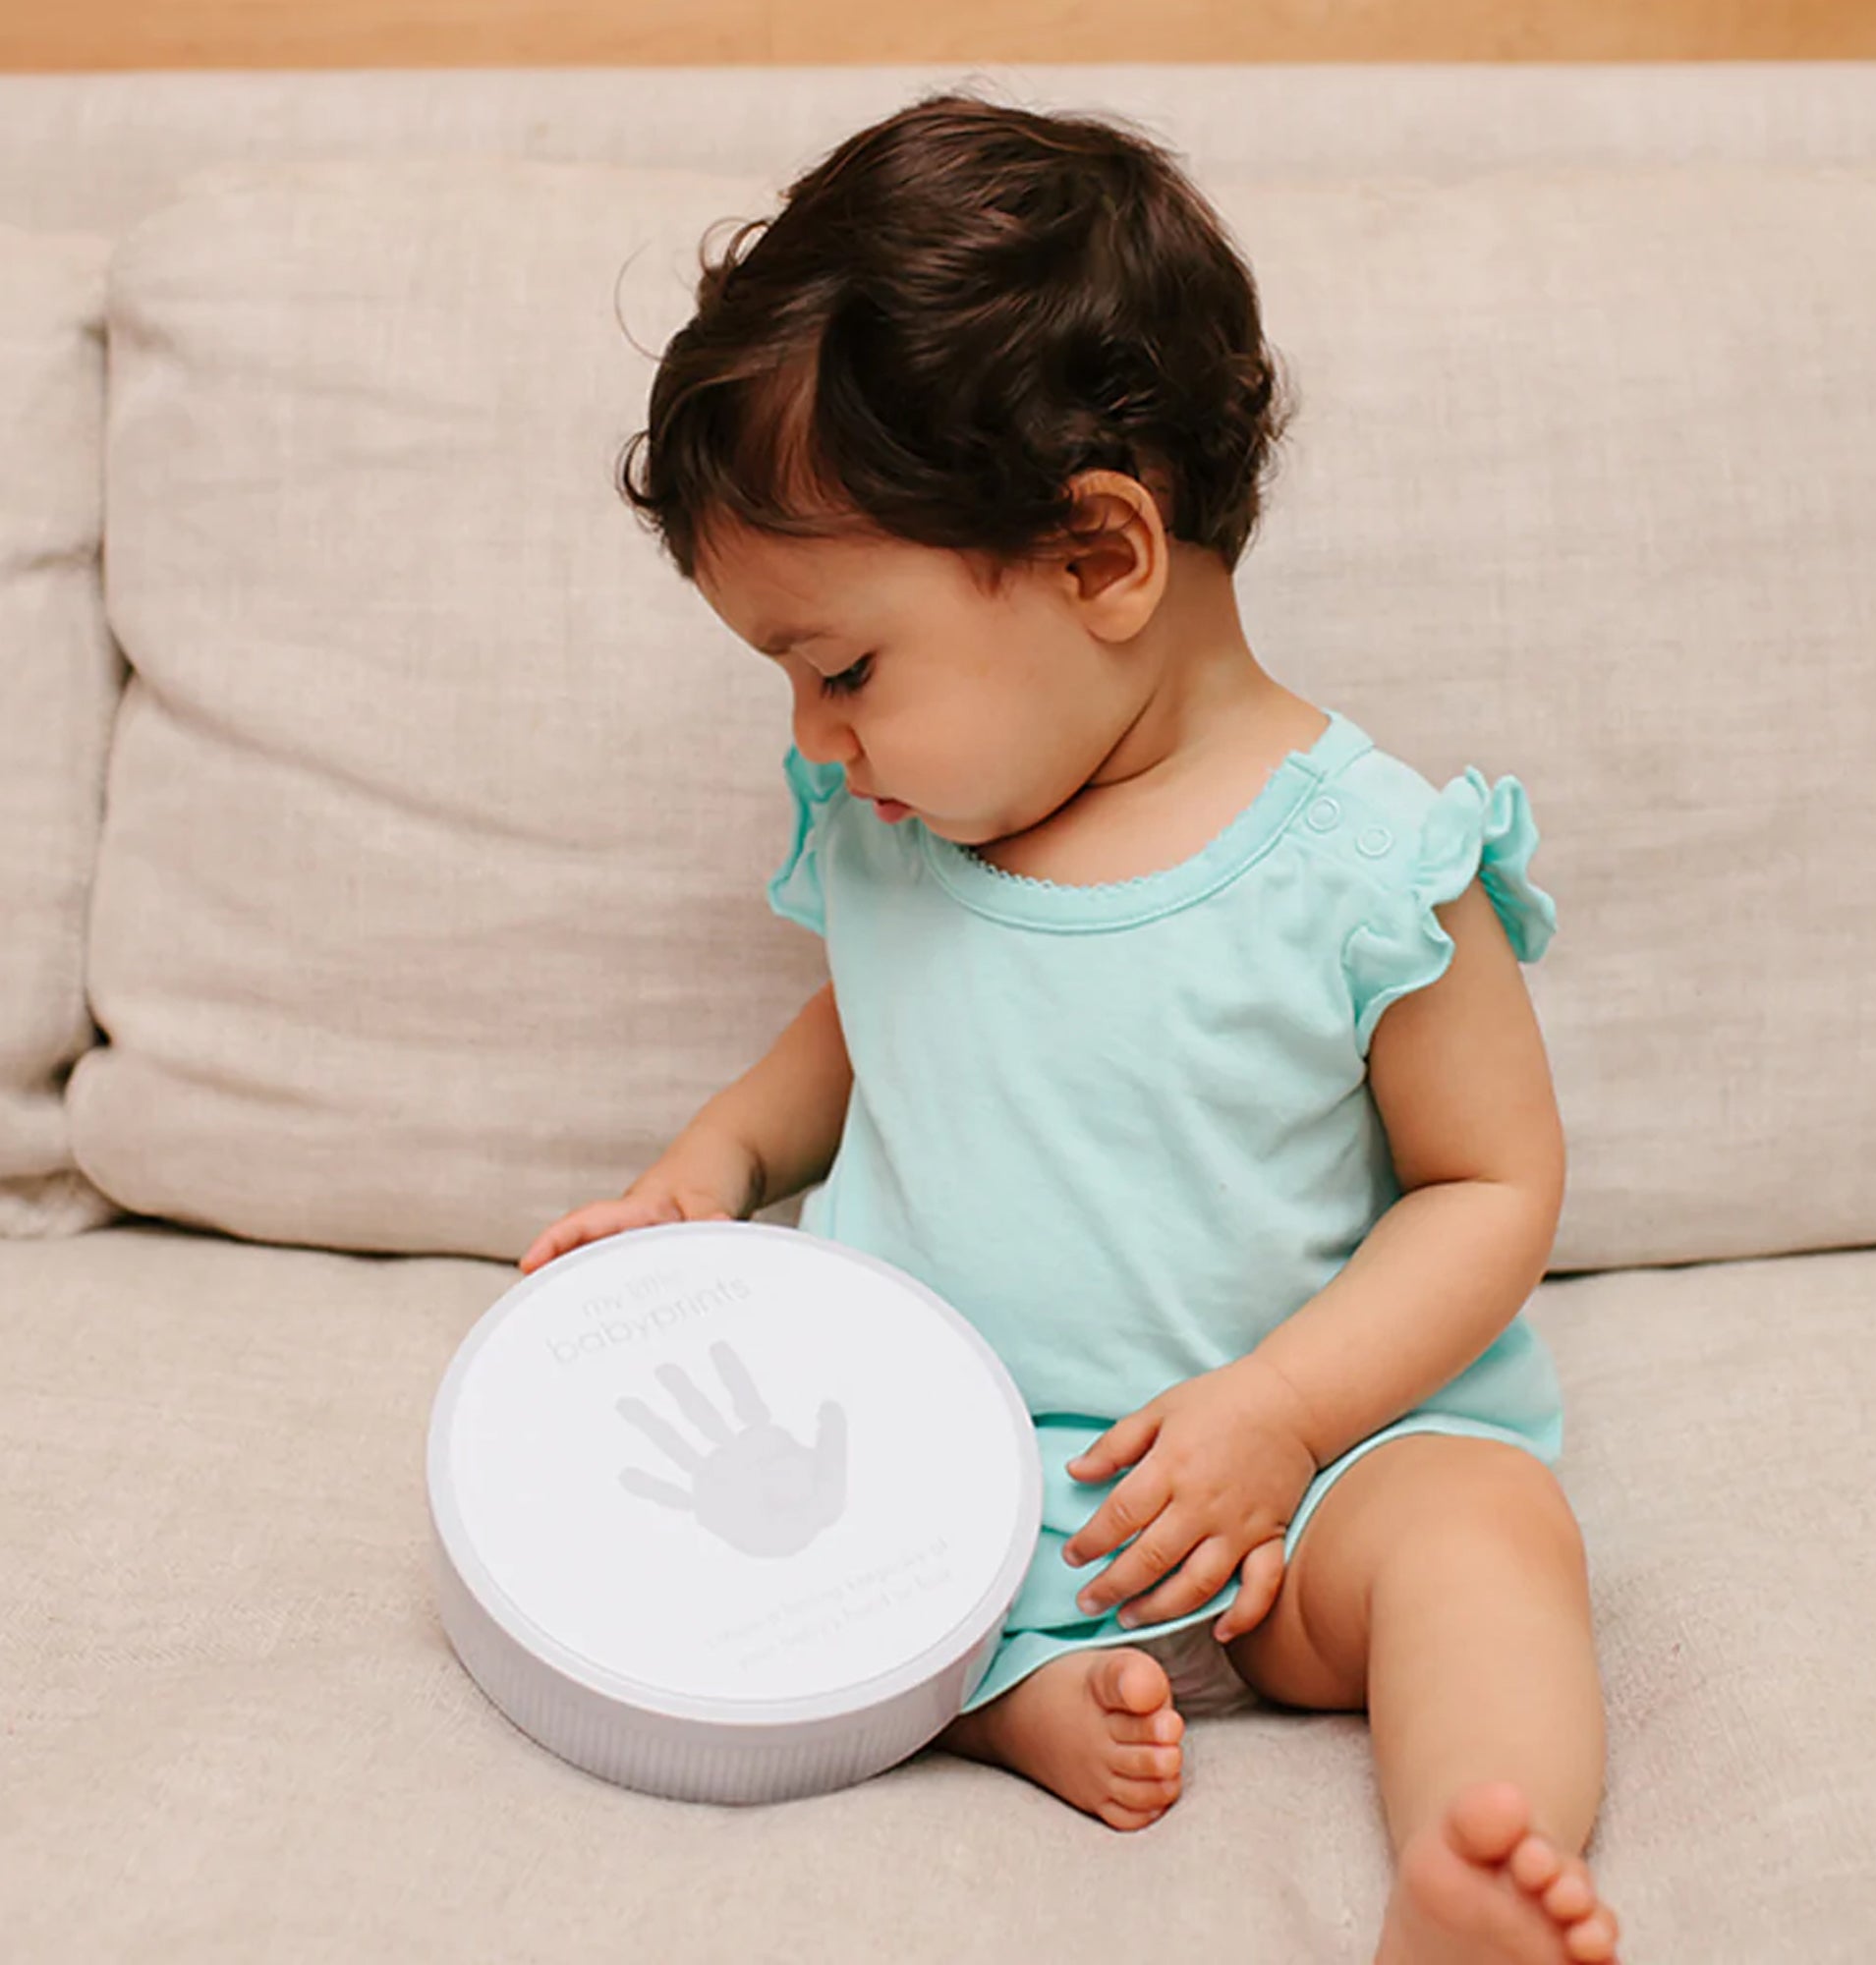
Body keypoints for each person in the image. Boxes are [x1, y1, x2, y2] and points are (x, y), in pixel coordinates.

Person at [521, 87, 1621, 1965]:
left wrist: (1285, 1415)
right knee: (782, 1571)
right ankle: (1005, 1694)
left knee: (1484, 1537)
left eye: (842, 666)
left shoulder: (1367, 862)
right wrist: (706, 1174)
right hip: (955, 1484)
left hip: (1306, 1487)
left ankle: (1475, 1861)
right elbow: (858, 1037)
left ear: (1103, 556)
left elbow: (1490, 1185)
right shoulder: (905, 826)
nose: (814, 737)